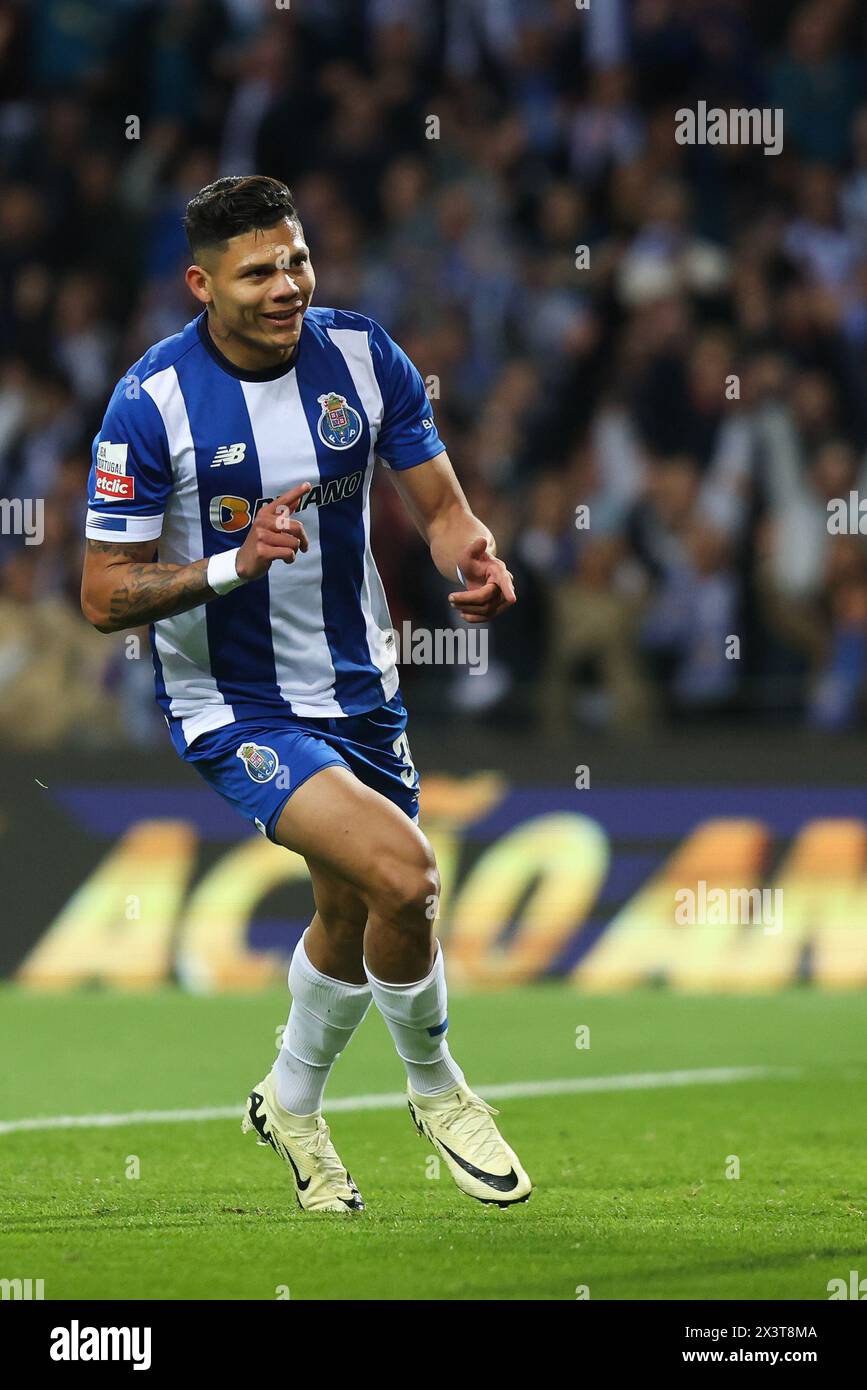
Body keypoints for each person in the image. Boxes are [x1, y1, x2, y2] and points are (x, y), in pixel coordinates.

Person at [80, 175, 530, 1212]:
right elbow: (106, 593)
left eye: (297, 260)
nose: (287, 285)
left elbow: (443, 507)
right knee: (407, 878)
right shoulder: (151, 404)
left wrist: (476, 557)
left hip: (361, 688)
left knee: (348, 905)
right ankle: (437, 1087)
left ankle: (290, 1102)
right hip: (236, 702)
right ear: (201, 283)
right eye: (257, 272)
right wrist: (232, 566)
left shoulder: (366, 356)